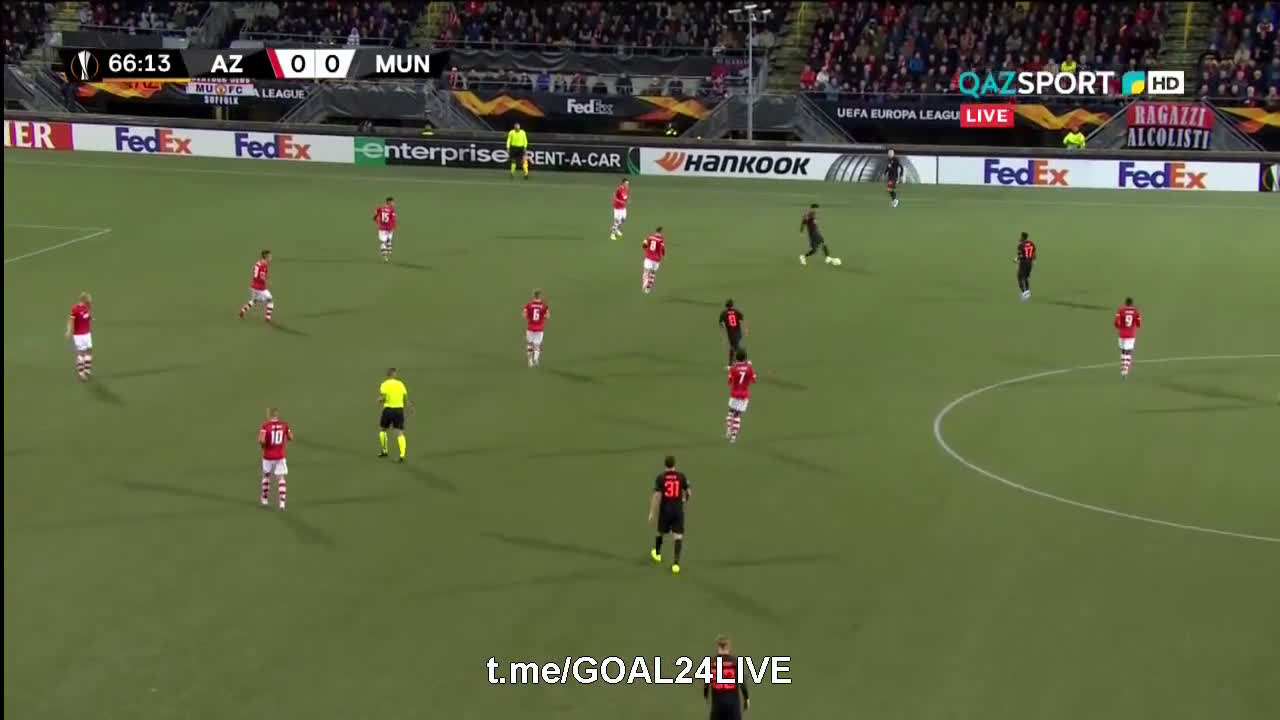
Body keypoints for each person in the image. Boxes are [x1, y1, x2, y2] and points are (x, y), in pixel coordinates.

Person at [647, 455, 689, 574]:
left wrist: (651, 512)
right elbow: (689, 491)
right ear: (674, 464)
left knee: (660, 532)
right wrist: (685, 500)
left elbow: (656, 496)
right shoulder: (681, 476)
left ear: (665, 465)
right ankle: (676, 564)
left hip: (665, 510)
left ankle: (657, 553)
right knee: (678, 536)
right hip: (677, 510)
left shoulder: (661, 478)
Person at [703, 635, 750, 720]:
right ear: (729, 647)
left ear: (718, 646)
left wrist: (706, 695)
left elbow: (706, 684)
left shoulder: (711, 662)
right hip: (733, 704)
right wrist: (746, 698)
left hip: (718, 704)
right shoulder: (735, 661)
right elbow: (742, 683)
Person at [258, 408, 293, 510]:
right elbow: (291, 437)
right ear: (277, 415)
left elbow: (261, 440)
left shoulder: (266, 426)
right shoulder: (284, 425)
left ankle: (265, 499)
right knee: (281, 478)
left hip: (268, 456)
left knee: (266, 476)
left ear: (269, 415)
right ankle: (282, 502)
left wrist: (263, 446)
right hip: (280, 456)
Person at [378, 368, 410, 461]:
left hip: (388, 410)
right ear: (394, 375)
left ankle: (384, 451)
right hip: (398, 410)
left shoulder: (384, 384)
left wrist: (380, 400)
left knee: (383, 430)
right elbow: (405, 398)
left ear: (387, 375)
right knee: (399, 432)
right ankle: (402, 455)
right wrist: (409, 407)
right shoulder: (400, 384)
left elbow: (384, 398)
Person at [726, 349, 758, 443]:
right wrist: (750, 367)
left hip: (734, 394)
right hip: (744, 395)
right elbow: (754, 380)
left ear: (736, 358)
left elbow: (730, 382)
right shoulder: (749, 368)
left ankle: (728, 429)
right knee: (737, 415)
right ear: (745, 358)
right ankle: (733, 437)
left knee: (731, 412)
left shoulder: (733, 368)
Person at [239, 250, 274, 323]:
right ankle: (267, 318)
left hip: (253, 286)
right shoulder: (264, 265)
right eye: (270, 256)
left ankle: (243, 310)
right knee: (270, 301)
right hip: (260, 288)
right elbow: (262, 276)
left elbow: (255, 275)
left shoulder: (258, 263)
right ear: (266, 257)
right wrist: (266, 281)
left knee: (255, 300)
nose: (271, 258)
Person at [65, 292, 93, 380]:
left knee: (89, 350)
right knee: (81, 353)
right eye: (89, 300)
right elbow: (70, 321)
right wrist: (68, 330)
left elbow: (87, 316)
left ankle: (87, 370)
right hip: (79, 335)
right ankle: (81, 372)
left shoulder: (86, 307)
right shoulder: (75, 309)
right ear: (84, 300)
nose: (90, 301)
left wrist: (91, 319)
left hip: (87, 334)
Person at [1114, 298, 1143, 380]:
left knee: (1123, 351)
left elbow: (1116, 323)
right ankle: (1125, 370)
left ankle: (1123, 368)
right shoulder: (1136, 311)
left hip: (1122, 334)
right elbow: (1139, 324)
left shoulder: (1121, 310)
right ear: (1132, 303)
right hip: (1131, 335)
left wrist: (1120, 327)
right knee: (1128, 352)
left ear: (1125, 303)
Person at [523, 290, 550, 367]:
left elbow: (524, 315)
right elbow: (547, 316)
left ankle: (530, 361)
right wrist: (542, 317)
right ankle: (536, 358)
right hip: (539, 328)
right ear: (540, 296)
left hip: (530, 327)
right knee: (537, 344)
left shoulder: (529, 305)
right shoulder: (544, 305)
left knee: (530, 344)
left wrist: (529, 317)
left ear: (533, 296)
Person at [718, 300, 746, 366]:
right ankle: (731, 363)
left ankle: (742, 361)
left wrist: (723, 327)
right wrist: (745, 329)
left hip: (731, 333)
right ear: (732, 305)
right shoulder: (736, 311)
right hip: (738, 332)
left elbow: (721, 323)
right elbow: (742, 318)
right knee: (733, 347)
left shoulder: (724, 313)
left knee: (735, 348)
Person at [641, 226, 666, 295]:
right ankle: (648, 288)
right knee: (653, 273)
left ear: (655, 231)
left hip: (649, 257)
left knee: (646, 271)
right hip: (656, 259)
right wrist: (663, 255)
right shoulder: (661, 240)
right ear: (661, 232)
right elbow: (663, 249)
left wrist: (646, 249)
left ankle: (645, 281)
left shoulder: (649, 237)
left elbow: (644, 245)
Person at [373, 196, 397, 262]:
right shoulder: (392, 210)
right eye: (392, 202)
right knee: (388, 240)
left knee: (383, 242)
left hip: (382, 228)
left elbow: (375, 214)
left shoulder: (380, 208)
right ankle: (389, 248)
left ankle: (385, 257)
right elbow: (393, 219)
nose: (393, 203)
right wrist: (394, 226)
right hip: (389, 227)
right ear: (389, 202)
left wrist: (375, 219)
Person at [1016, 232, 1036, 301]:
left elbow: (1020, 255)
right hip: (1030, 263)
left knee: (1019, 277)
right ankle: (1027, 293)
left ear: (1022, 237)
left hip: (1023, 263)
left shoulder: (1020, 245)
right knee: (1026, 278)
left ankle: (1023, 293)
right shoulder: (1032, 243)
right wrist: (1033, 262)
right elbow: (1034, 255)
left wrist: (1016, 259)